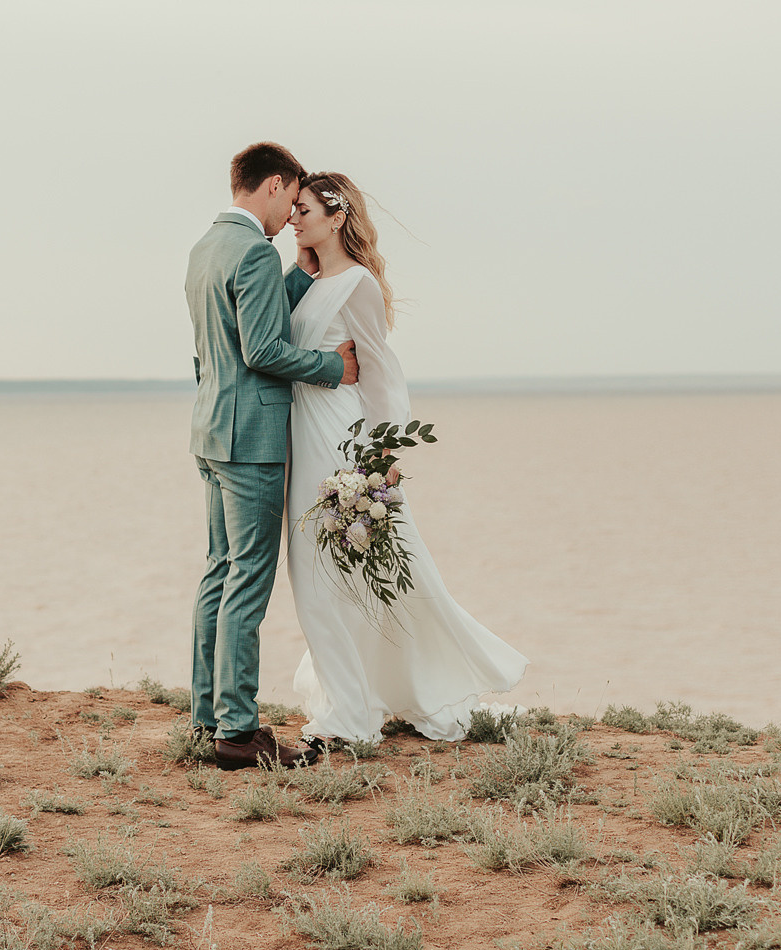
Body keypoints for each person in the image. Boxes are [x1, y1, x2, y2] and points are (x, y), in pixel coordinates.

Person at [283, 171, 527, 753]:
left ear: (337, 216)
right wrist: (299, 259)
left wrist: (380, 459)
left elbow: (383, 372)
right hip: (303, 435)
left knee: (352, 568)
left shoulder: (358, 284)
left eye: (305, 209)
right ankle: (353, 696)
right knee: (313, 577)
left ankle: (354, 713)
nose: (294, 216)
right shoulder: (308, 279)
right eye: (291, 208)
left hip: (340, 439)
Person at [184, 142, 358, 770]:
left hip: (209, 431)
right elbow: (261, 349)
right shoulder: (254, 251)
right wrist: (331, 369)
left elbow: (227, 339)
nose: (292, 218)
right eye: (291, 200)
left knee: (219, 572)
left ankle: (209, 718)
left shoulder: (207, 248)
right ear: (276, 185)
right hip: (250, 440)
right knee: (248, 582)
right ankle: (238, 730)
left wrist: (301, 275)